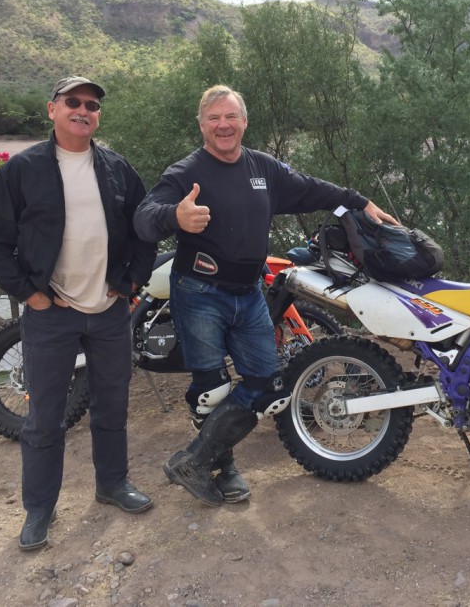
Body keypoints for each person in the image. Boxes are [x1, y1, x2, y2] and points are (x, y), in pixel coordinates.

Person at [133, 84, 397, 507]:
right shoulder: (186, 173)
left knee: (270, 390)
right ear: (202, 125)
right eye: (214, 118)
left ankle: (194, 461)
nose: (223, 125)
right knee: (211, 391)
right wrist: (174, 216)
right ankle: (223, 469)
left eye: (231, 116)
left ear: (244, 121)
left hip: (249, 291)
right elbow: (144, 220)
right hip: (199, 290)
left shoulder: (263, 168)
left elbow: (312, 188)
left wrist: (358, 202)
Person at [0, 76, 157, 551]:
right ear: (52, 109)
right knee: (45, 416)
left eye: (92, 105)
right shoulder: (22, 170)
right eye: (73, 102)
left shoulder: (117, 169)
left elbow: (144, 231)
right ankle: (40, 509)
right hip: (51, 313)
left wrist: (129, 283)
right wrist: (29, 295)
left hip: (109, 311)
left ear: (98, 115)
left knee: (112, 405)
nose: (83, 110)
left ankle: (112, 483)